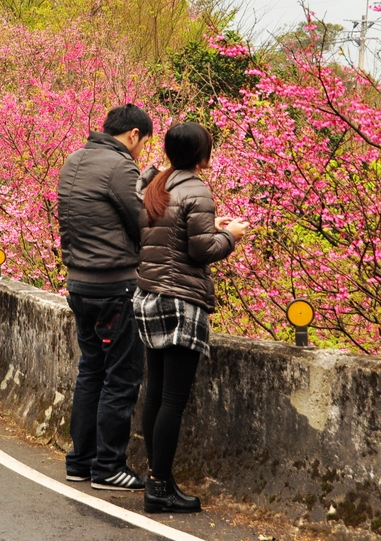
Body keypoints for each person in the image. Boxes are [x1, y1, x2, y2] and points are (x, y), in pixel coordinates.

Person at [135, 122, 248, 514]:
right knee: (172, 399)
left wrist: (209, 227)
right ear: (202, 153)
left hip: (149, 296)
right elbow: (201, 251)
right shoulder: (196, 188)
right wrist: (230, 234)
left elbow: (167, 233)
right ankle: (160, 487)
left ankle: (156, 477)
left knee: (154, 393)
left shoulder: (153, 185)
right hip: (180, 302)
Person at [57, 104, 153, 492]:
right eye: (143, 144)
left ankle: (80, 461)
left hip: (78, 283)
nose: (141, 152)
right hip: (115, 285)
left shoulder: (74, 159)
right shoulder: (121, 167)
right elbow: (141, 222)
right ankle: (109, 465)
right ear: (133, 135)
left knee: (91, 371)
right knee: (122, 377)